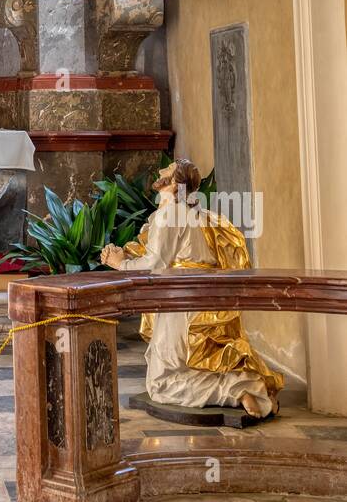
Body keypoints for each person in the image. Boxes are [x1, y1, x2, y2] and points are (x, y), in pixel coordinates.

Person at [100, 158, 283, 418]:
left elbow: (156, 263)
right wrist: (126, 255)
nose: (162, 170)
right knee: (185, 366)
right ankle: (255, 389)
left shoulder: (169, 214)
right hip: (196, 296)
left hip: (180, 298)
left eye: (169, 169)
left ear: (174, 184)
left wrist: (120, 264)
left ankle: (241, 389)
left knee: (161, 383)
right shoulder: (194, 213)